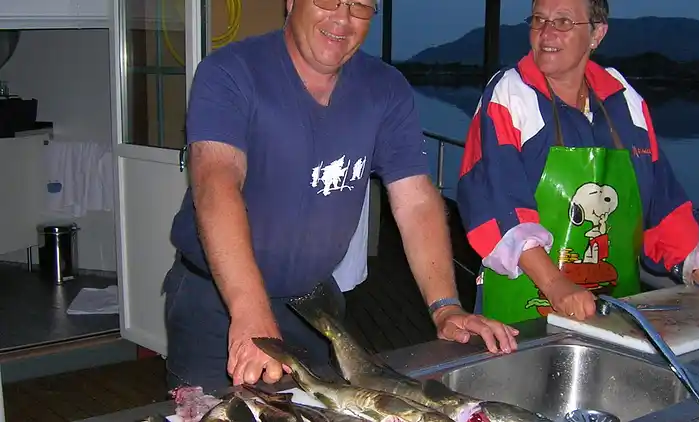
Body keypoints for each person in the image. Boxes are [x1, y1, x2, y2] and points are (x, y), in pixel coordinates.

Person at [163, 0, 517, 393]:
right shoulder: (230, 71)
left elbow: (416, 201)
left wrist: (445, 307)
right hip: (219, 303)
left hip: (313, 306)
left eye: (361, 6)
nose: (343, 19)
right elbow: (216, 184)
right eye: (329, 0)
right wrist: (250, 311)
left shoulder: (385, 88)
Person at [456, 0, 699, 325]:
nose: (546, 33)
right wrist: (555, 284)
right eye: (538, 19)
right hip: (522, 303)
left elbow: (660, 196)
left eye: (563, 22)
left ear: (596, 34)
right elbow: (494, 199)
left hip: (610, 306)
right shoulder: (509, 94)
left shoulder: (623, 99)